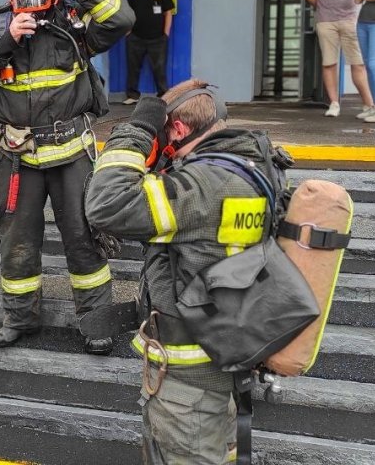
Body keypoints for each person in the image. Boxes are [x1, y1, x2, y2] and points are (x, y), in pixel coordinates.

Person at [84, 79, 271, 464]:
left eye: (162, 131)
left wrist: (135, 131)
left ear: (180, 129)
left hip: (187, 383)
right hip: (228, 356)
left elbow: (105, 204)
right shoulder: (253, 167)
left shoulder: (196, 186)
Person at [0, 0, 134, 354]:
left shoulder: (73, 24)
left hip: (71, 155)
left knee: (84, 239)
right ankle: (20, 320)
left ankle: (96, 324)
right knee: (18, 243)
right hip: (19, 160)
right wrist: (6, 42)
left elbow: (122, 20)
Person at [306, 0, 375, 117]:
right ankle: (334, 104)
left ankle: (369, 105)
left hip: (351, 20)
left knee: (358, 63)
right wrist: (327, 6)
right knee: (329, 63)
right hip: (326, 21)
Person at [123, 0, 174, 104]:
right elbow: (127, 12)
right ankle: (132, 95)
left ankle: (163, 95)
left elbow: (168, 13)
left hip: (158, 39)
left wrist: (166, 33)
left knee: (159, 68)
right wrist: (128, 32)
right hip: (135, 38)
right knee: (133, 68)